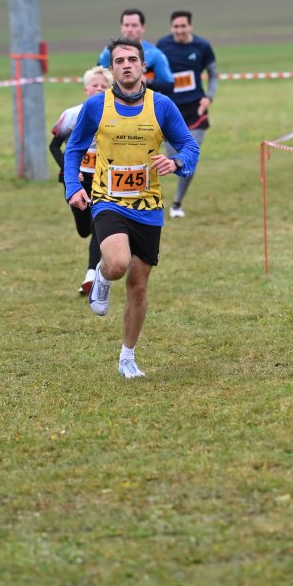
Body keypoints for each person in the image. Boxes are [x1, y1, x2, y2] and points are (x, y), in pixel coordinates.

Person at [64, 38, 200, 378]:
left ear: (143, 66)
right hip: (108, 199)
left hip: (148, 204)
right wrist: (73, 187)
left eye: (132, 60)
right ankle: (102, 276)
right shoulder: (97, 106)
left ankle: (128, 357)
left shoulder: (162, 106)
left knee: (138, 284)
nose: (126, 65)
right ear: (112, 69)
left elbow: (189, 146)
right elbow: (74, 148)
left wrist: (176, 162)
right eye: (119, 61)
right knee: (117, 263)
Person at [49, 65, 114, 295]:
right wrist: (68, 169)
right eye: (94, 85)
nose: (99, 89)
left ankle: (91, 275)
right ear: (86, 89)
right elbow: (54, 146)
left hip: (102, 182)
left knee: (98, 226)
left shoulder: (115, 117)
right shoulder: (72, 114)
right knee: (84, 229)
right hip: (75, 181)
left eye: (104, 86)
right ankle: (93, 270)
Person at [156, 9, 218, 218]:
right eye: (176, 27)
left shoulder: (202, 46)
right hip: (170, 111)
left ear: (190, 26)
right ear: (171, 27)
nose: (179, 30)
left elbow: (213, 73)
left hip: (196, 110)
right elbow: (153, 73)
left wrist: (209, 97)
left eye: (183, 26)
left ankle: (176, 203)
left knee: (190, 157)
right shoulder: (163, 46)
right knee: (172, 158)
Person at [97, 9, 174, 96]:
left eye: (134, 25)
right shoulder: (109, 52)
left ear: (143, 28)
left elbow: (169, 86)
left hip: (145, 101)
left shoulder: (155, 54)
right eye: (126, 25)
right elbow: (97, 78)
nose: (129, 29)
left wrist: (147, 81)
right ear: (121, 28)